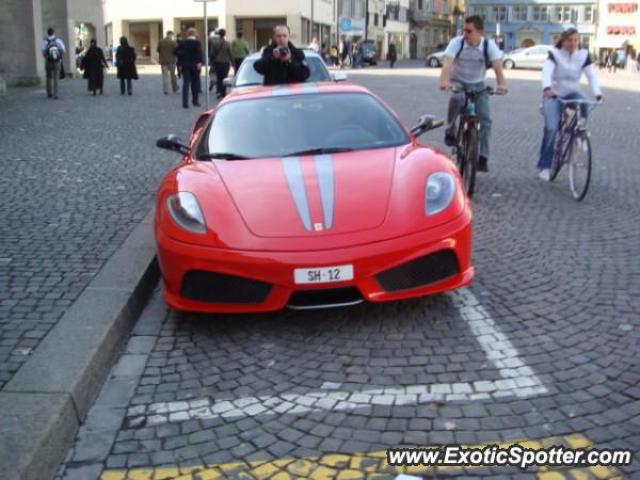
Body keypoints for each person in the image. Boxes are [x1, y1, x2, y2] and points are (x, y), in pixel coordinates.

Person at [440, 15, 508, 173]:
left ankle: (483, 156)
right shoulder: (457, 43)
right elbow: (447, 64)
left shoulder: (488, 45)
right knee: (457, 97)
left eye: (469, 31)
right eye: (464, 30)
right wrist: (444, 81)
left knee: (485, 119)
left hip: (478, 84)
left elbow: (498, 67)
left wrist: (502, 84)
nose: (465, 34)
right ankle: (450, 129)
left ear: (480, 32)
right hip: (457, 81)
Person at [536, 28, 603, 181]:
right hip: (554, 93)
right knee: (551, 128)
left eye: (575, 40)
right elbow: (546, 72)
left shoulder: (583, 55)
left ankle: (579, 133)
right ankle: (545, 166)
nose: (572, 44)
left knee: (584, 101)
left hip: (572, 92)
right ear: (563, 41)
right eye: (569, 40)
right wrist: (547, 88)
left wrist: (597, 93)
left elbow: (591, 76)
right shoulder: (555, 54)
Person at [176, 27, 203, 108]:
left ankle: (185, 103)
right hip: (195, 65)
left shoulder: (182, 42)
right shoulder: (197, 42)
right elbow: (199, 53)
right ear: (195, 34)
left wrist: (181, 58)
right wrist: (200, 62)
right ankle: (195, 101)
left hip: (185, 65)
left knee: (186, 84)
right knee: (195, 83)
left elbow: (176, 51)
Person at [41, 27, 66, 99]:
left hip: (48, 62)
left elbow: (43, 52)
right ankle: (56, 94)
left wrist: (47, 58)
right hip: (57, 62)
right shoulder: (58, 40)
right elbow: (63, 51)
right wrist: (59, 57)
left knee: (48, 77)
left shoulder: (45, 41)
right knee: (56, 78)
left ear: (47, 33)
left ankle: (49, 93)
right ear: (53, 32)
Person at [209, 28, 233, 99]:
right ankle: (223, 93)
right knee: (225, 78)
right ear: (224, 34)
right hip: (225, 63)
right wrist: (233, 63)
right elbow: (231, 54)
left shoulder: (215, 43)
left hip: (217, 63)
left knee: (219, 78)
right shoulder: (228, 43)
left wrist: (211, 61)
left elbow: (212, 53)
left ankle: (219, 92)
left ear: (219, 34)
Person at [157, 31, 179, 95]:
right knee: (173, 75)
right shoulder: (173, 42)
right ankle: (174, 87)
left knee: (165, 76)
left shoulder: (160, 42)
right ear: (171, 35)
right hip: (172, 61)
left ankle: (166, 90)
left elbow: (158, 50)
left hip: (163, 61)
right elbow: (177, 51)